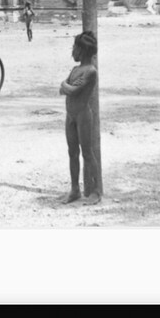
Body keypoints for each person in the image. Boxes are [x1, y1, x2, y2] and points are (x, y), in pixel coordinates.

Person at [59, 31, 100, 205]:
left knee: (87, 153)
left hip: (83, 115)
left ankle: (96, 191)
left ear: (82, 50)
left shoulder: (91, 71)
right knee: (72, 152)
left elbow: (70, 90)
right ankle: (75, 189)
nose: (73, 52)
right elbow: (66, 87)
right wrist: (66, 86)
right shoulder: (76, 70)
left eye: (75, 48)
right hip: (71, 115)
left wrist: (65, 85)